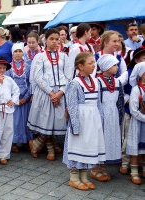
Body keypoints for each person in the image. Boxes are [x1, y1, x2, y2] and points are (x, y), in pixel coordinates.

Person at [63, 52, 105, 190]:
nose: (94, 65)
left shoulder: (96, 81)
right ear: (80, 66)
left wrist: (100, 120)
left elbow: (98, 102)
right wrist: (75, 126)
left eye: (94, 62)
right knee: (77, 146)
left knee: (88, 146)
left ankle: (84, 176)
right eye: (90, 63)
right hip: (80, 120)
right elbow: (72, 106)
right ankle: (74, 178)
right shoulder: (74, 84)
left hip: (92, 120)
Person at [27, 28, 71, 160]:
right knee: (46, 120)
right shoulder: (40, 56)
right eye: (52, 39)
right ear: (45, 40)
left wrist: (60, 92)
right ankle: (47, 147)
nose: (55, 41)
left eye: (57, 39)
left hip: (60, 92)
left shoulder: (64, 56)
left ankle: (42, 144)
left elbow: (68, 76)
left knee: (56, 120)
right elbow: (37, 77)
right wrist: (52, 94)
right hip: (46, 92)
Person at [96, 54, 124, 181]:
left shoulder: (117, 82)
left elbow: (120, 101)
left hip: (113, 114)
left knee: (109, 140)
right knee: (100, 141)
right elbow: (97, 101)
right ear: (106, 66)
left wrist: (119, 116)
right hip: (102, 114)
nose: (117, 67)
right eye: (114, 65)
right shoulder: (98, 82)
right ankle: (96, 168)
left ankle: (103, 167)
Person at [118, 46, 145, 175]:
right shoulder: (128, 73)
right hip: (131, 112)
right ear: (137, 60)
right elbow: (116, 85)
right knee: (129, 137)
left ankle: (139, 164)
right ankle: (125, 163)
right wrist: (126, 97)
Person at [0, 56, 20, 165]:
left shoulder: (9, 80)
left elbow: (16, 91)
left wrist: (14, 101)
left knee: (8, 131)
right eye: (0, 68)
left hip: (7, 108)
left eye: (3, 68)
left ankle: (3, 155)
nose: (2, 70)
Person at [6, 43, 32, 152]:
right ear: (12, 53)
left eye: (20, 51)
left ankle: (26, 141)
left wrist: (25, 97)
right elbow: (7, 84)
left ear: (23, 52)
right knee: (15, 121)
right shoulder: (8, 67)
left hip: (25, 99)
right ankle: (14, 142)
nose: (18, 53)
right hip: (14, 99)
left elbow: (31, 82)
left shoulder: (29, 65)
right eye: (15, 51)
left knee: (26, 120)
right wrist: (15, 99)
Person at [126, 62, 145, 184]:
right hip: (138, 123)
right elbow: (133, 109)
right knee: (136, 148)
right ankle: (133, 172)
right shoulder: (136, 89)